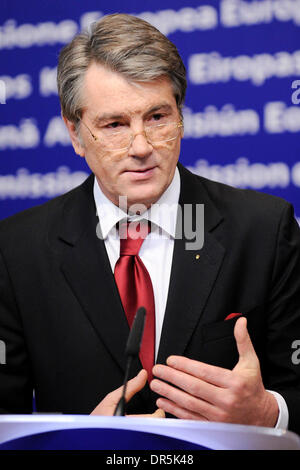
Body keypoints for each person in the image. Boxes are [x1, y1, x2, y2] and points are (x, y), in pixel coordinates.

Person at [0, 13, 300, 434]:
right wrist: (71, 442)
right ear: (75, 134)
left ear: (181, 116)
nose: (141, 147)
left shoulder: (265, 231)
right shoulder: (16, 251)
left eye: (157, 117)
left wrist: (269, 414)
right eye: (115, 125)